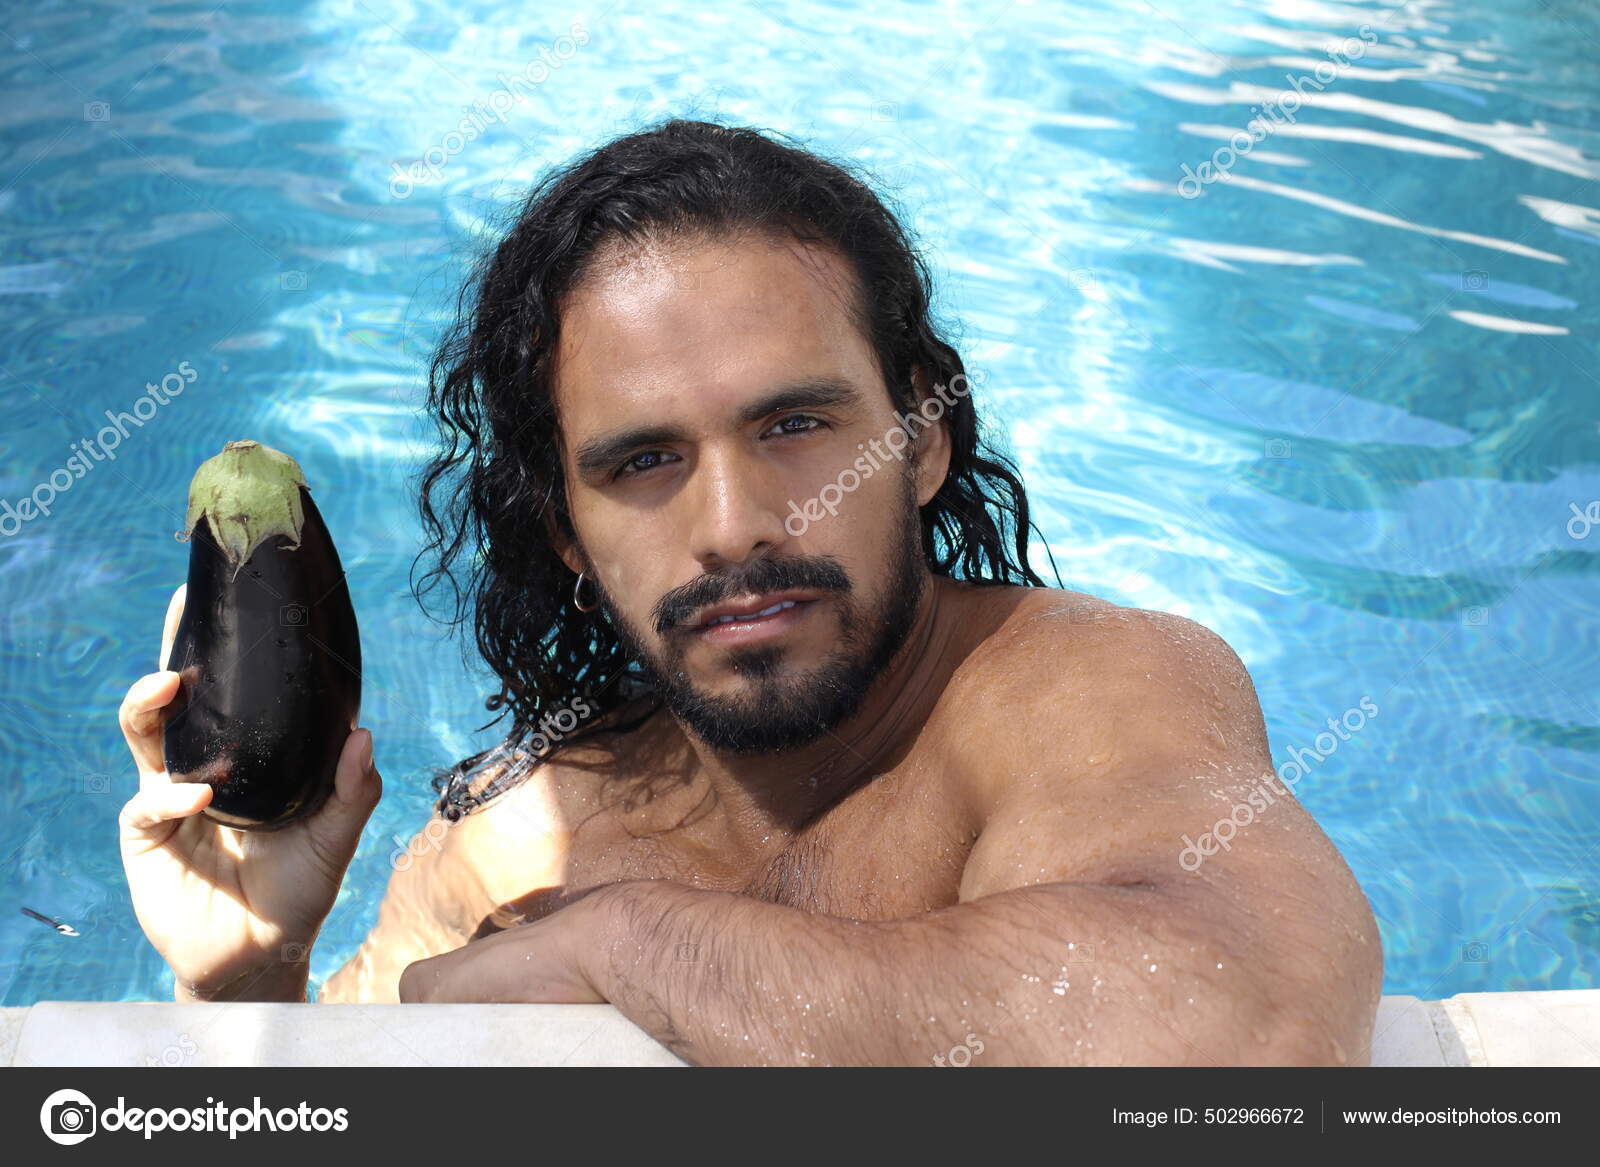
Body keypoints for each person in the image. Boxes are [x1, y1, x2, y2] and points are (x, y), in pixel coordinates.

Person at [118, 119, 1381, 1066]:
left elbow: (1239, 1023)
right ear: (564, 526)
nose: (734, 529)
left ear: (923, 436)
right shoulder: (506, 840)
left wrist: (625, 939)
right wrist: (248, 980)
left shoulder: (1074, 689)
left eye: (793, 424)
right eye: (643, 461)